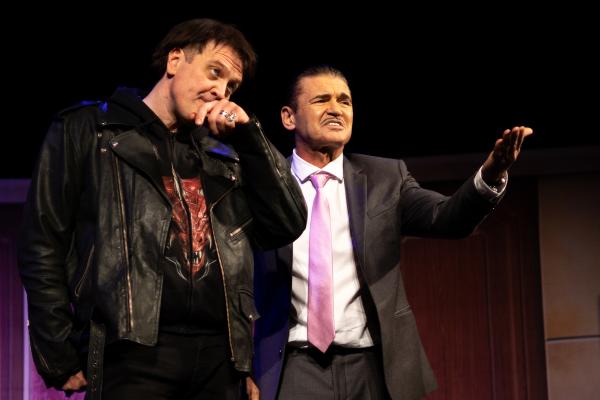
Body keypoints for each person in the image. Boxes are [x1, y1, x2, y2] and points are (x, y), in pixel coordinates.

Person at [18, 18, 307, 400]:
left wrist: (250, 136)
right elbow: (42, 242)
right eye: (215, 72)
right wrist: (56, 349)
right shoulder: (91, 130)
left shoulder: (225, 153)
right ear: (175, 60)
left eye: (231, 86)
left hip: (219, 358)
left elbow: (287, 223)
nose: (220, 91)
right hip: (131, 352)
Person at [248, 65, 533, 400]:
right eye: (322, 100)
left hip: (372, 366)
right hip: (293, 366)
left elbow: (447, 219)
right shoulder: (264, 184)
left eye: (344, 101)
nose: (336, 109)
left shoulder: (385, 178)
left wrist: (492, 173)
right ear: (288, 117)